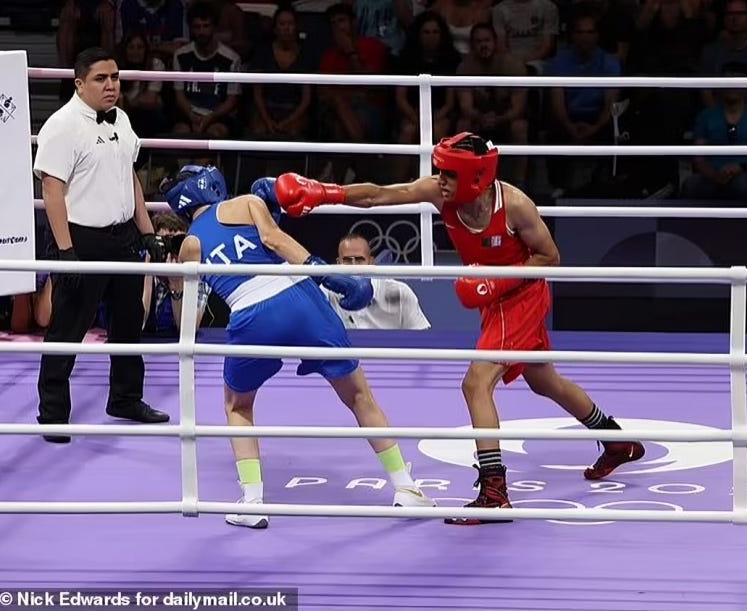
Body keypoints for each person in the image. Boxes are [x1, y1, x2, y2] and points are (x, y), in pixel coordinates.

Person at [274, 131, 646, 525]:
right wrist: (325, 193)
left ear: (475, 177)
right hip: (495, 302)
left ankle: (494, 493)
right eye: (440, 172)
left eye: (449, 173)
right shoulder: (439, 192)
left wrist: (496, 279)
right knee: (544, 381)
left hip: (521, 297)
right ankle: (617, 440)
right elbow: (379, 195)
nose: (440, 179)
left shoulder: (516, 205)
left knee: (476, 383)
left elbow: (549, 258)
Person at [160, 166, 436, 529]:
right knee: (358, 396)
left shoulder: (189, 246)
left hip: (249, 317)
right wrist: (329, 276)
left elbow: (188, 326)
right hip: (298, 298)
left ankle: (253, 501)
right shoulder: (244, 203)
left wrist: (175, 282)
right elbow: (276, 241)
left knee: (237, 406)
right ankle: (406, 488)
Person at [33, 46, 170, 444]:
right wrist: (65, 251)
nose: (111, 85)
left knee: (129, 323)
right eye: (101, 78)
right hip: (81, 238)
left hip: (123, 235)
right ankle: (53, 413)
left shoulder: (121, 119)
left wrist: (147, 231)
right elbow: (52, 190)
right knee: (67, 328)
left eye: (115, 77)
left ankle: (126, 399)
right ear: (79, 83)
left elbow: (128, 176)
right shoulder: (62, 125)